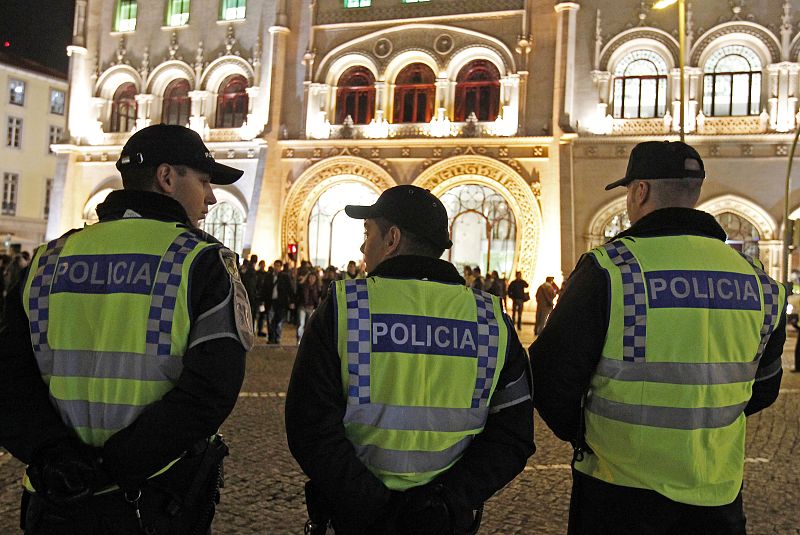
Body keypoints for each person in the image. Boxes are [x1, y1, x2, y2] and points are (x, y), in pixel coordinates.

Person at [0, 123, 252, 534]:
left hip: (56, 496)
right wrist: (113, 467)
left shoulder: (48, 259)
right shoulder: (202, 262)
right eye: (205, 181)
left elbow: (8, 378)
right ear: (167, 177)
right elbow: (211, 390)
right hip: (152, 498)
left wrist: (54, 456)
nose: (211, 197)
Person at [530, 140, 786, 535]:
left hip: (618, 489)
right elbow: (765, 388)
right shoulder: (758, 281)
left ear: (639, 191)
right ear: (695, 193)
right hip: (716, 492)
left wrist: (588, 433)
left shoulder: (611, 269)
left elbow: (550, 376)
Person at [286, 184, 534, 534]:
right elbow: (513, 435)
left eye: (367, 232)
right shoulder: (490, 320)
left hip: (360, 520)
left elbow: (308, 424)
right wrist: (447, 501)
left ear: (392, 239)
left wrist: (371, 503)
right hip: (444, 522)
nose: (362, 245)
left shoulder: (346, 308)